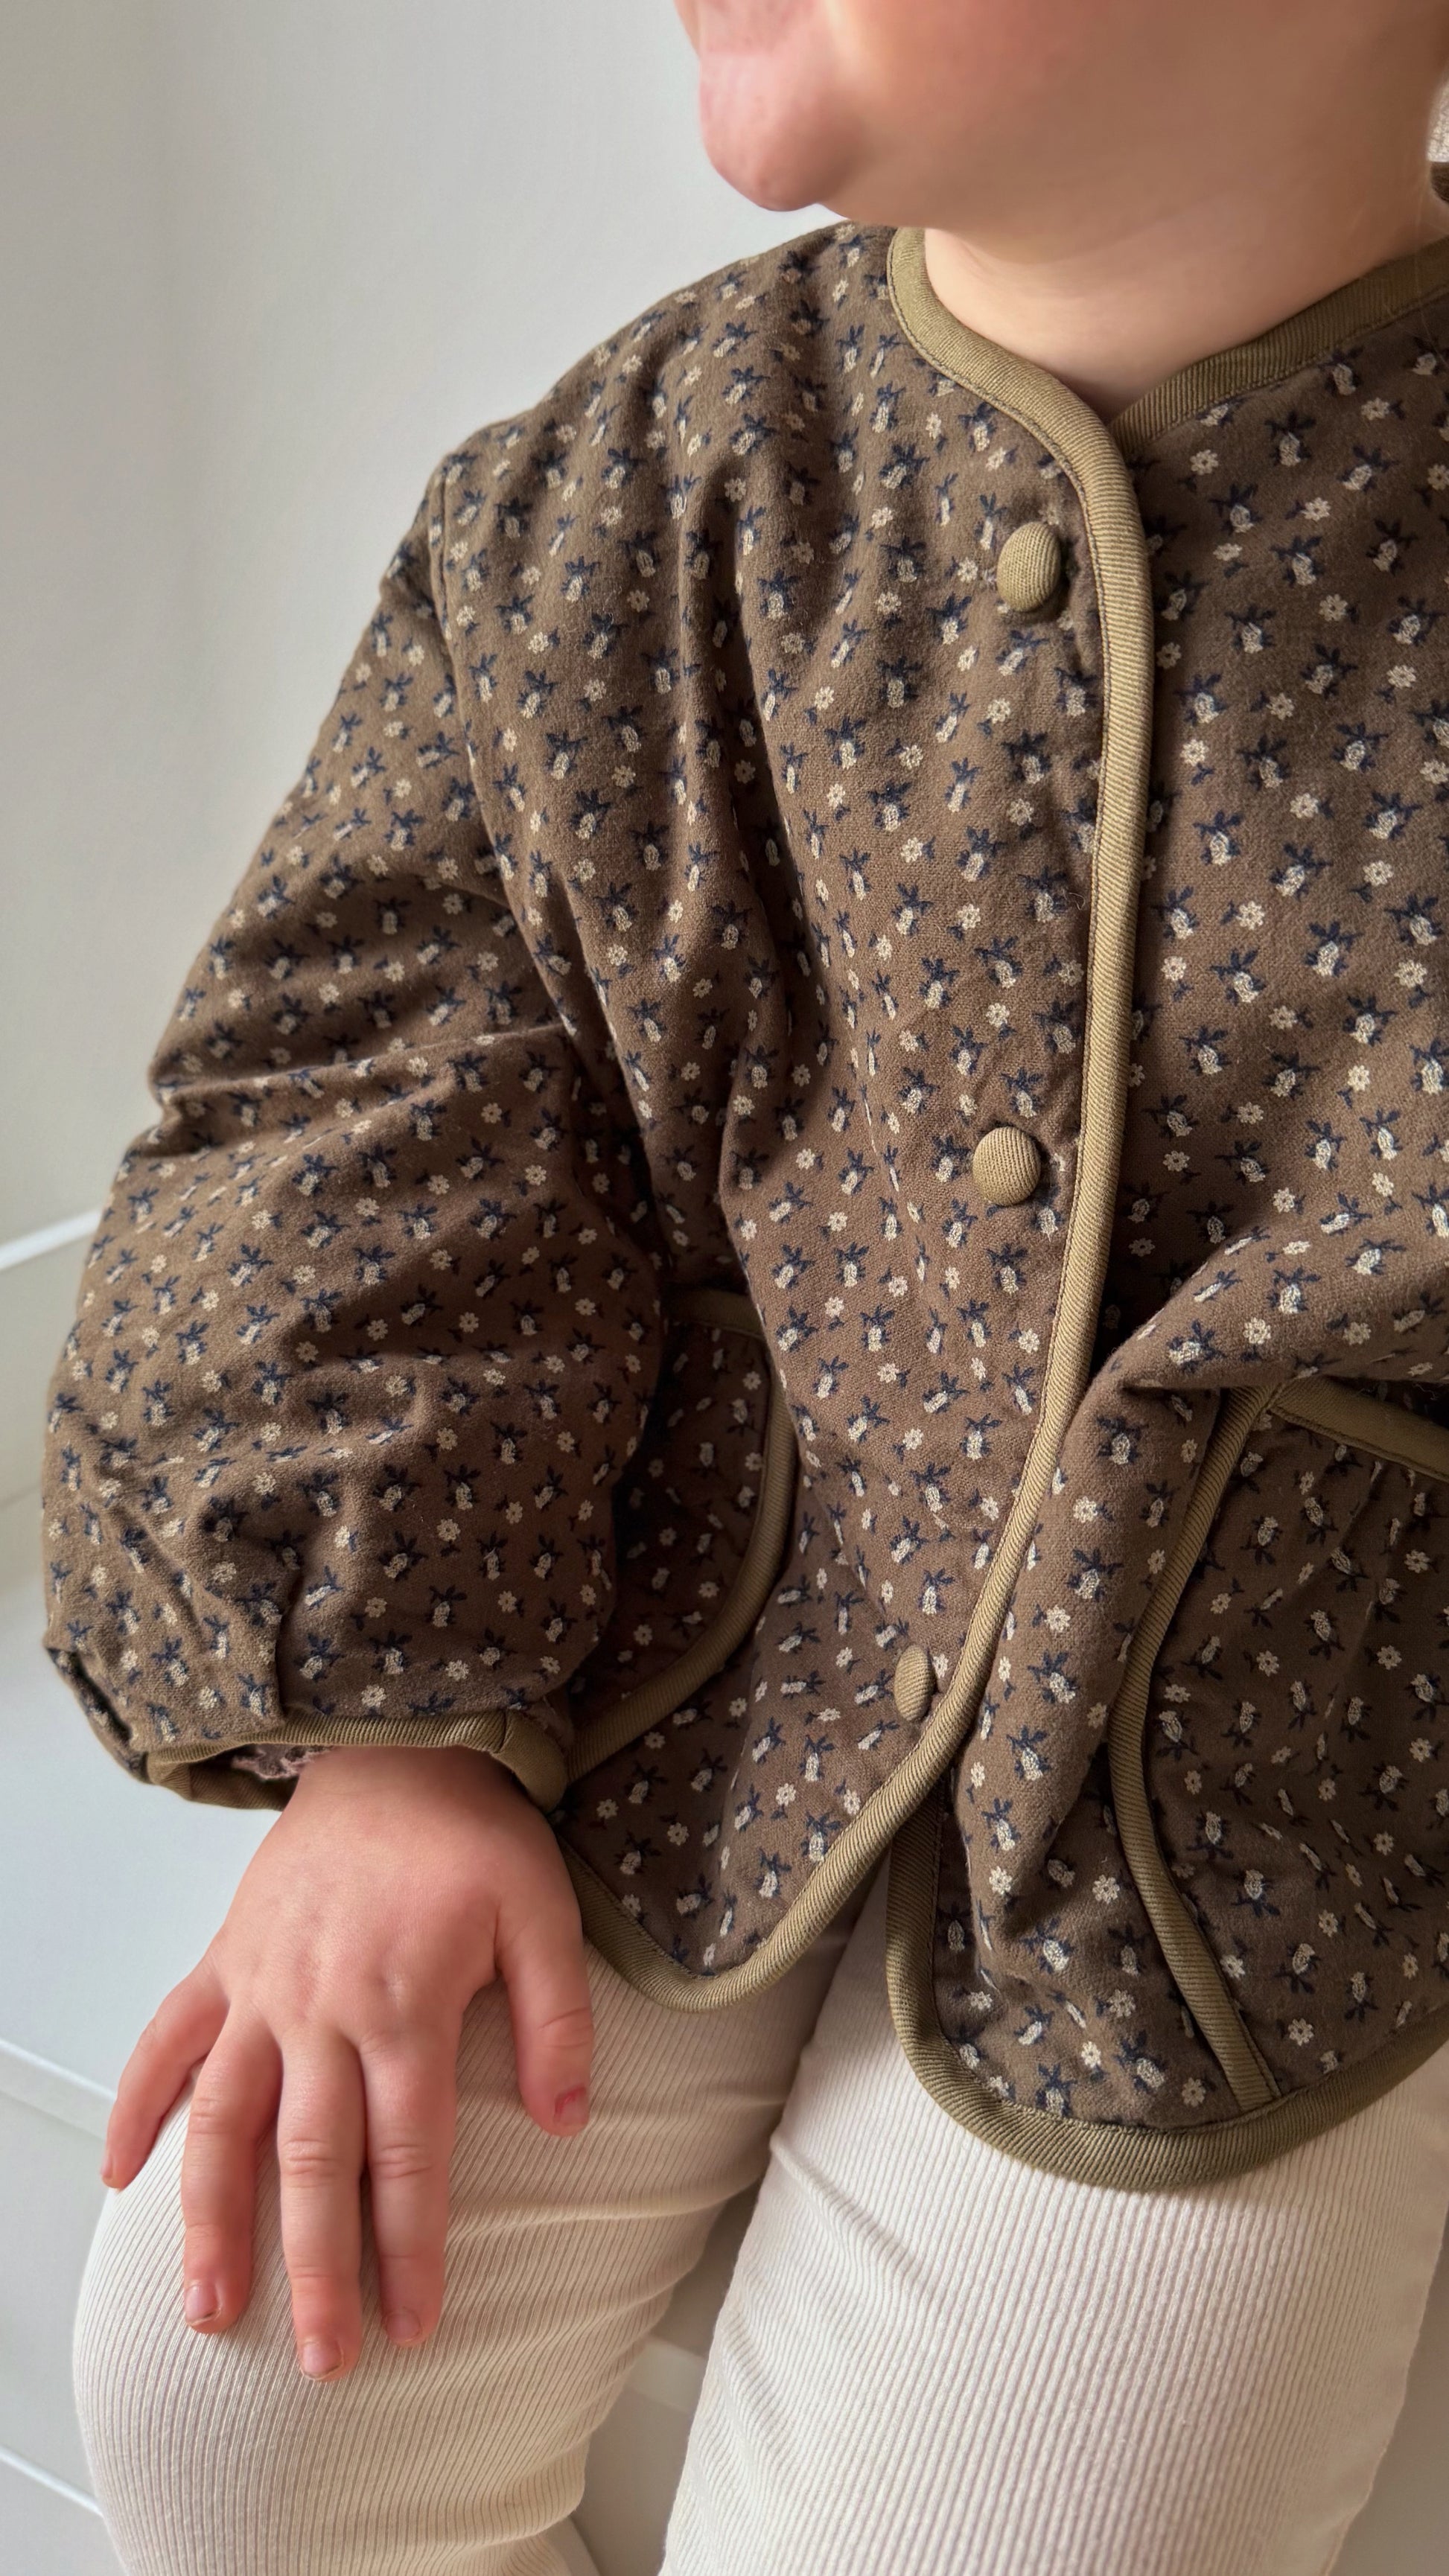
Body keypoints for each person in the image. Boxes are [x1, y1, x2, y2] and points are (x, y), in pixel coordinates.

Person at [44, 2, 1449, 2569]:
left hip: (1277, 1818)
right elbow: (377, 1081)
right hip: (676, 1646)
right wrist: (392, 1734)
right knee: (234, 2384)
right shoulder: (637, 496)